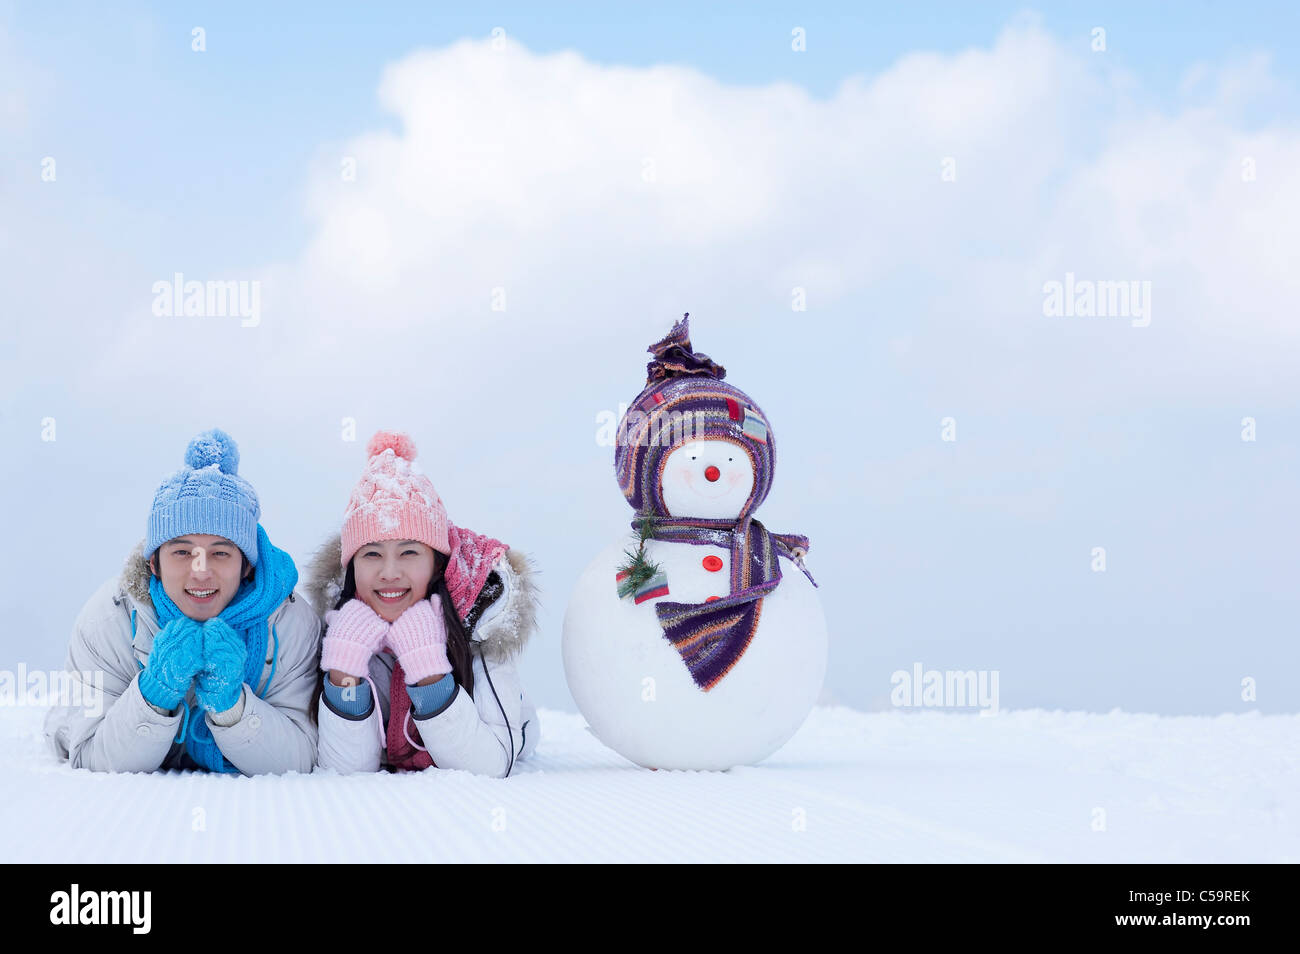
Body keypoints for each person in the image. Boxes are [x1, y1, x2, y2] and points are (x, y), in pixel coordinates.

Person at [43, 428, 320, 774]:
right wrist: (154, 694)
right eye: (182, 552)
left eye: (220, 552)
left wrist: (232, 706)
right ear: (154, 562)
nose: (201, 571)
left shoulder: (290, 623)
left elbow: (300, 759)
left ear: (246, 564)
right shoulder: (108, 621)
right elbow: (90, 756)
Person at [307, 431, 539, 778]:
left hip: (510, 729)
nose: (389, 572)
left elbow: (490, 765)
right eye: (371, 554)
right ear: (352, 565)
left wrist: (429, 671)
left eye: (409, 552)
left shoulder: (480, 616)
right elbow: (345, 772)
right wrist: (344, 671)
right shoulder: (343, 622)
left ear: (436, 562)